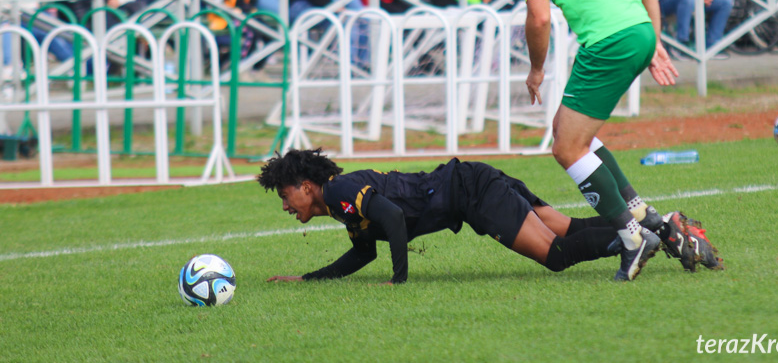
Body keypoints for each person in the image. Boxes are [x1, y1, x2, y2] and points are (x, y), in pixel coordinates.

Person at [490, 0, 683, 281]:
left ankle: (632, 237)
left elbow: (539, 17)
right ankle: (640, 214)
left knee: (566, 149)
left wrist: (537, 69)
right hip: (637, 31)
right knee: (569, 130)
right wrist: (655, 40)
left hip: (608, 42)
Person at [258, 149, 720, 284]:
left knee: (555, 255)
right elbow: (361, 254)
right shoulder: (343, 207)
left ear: (306, 185)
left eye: (285, 195)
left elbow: (395, 219)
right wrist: (308, 280)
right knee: (568, 228)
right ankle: (660, 225)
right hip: (474, 181)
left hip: (471, 192)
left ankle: (633, 241)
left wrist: (399, 280)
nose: (285, 206)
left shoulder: (340, 190)